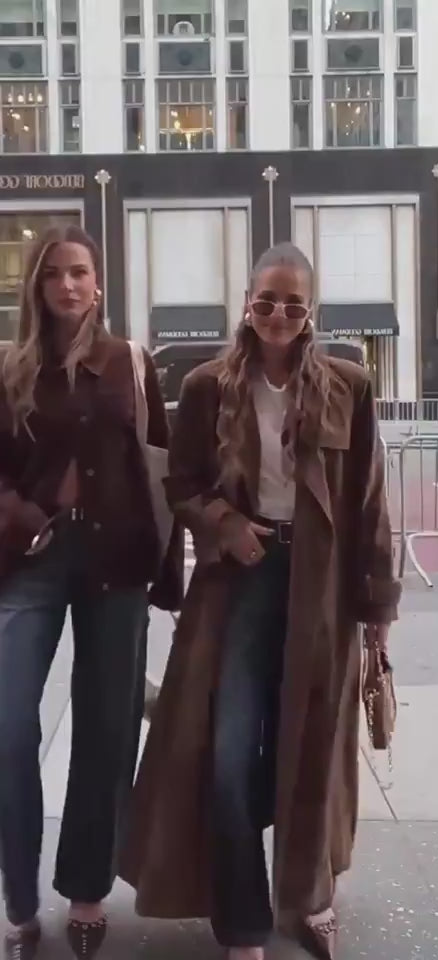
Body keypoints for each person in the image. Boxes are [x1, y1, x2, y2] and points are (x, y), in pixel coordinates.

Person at [121, 242, 401, 960]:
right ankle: (244, 921)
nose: (279, 314)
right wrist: (225, 525)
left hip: (320, 587)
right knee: (226, 754)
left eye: (293, 303)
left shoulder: (348, 386)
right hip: (235, 583)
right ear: (248, 304)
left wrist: (377, 610)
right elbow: (182, 484)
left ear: (312, 312)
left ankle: (308, 897)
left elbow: (368, 502)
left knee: (308, 751)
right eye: (267, 300)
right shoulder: (209, 386)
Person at [0, 225, 177, 960]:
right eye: (53, 274)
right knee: (8, 725)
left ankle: (85, 891)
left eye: (79, 272)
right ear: (37, 287)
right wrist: (24, 519)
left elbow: (162, 465)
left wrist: (170, 576)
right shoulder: (11, 368)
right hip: (32, 560)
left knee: (107, 728)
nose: (67, 285)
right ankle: (18, 896)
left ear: (98, 283)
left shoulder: (130, 362)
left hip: (117, 562)